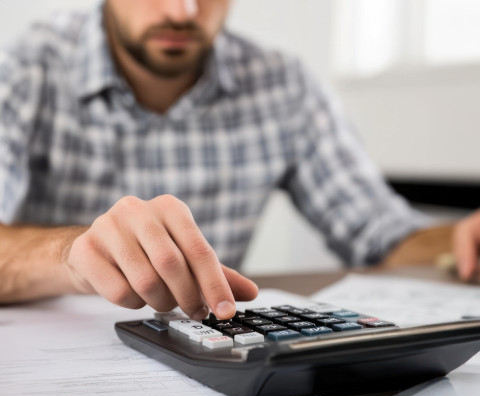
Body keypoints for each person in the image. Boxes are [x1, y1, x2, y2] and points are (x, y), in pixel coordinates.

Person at [0, 0, 478, 319]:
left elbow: (381, 233)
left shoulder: (282, 84)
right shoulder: (22, 69)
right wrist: (71, 256)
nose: (181, 10)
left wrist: (460, 239)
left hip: (221, 360)